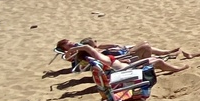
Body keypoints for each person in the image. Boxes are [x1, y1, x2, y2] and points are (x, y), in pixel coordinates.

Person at [55, 39, 186, 74]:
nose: (72, 44)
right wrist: (74, 49)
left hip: (124, 64)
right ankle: (176, 69)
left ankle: (166, 56)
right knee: (155, 60)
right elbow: (88, 48)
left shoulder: (97, 59)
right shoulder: (98, 58)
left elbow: (92, 48)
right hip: (127, 69)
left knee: (149, 52)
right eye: (68, 45)